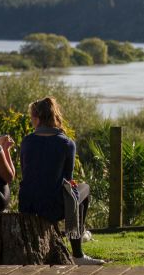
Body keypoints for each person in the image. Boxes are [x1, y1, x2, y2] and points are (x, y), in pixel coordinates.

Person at [18, 97, 104, 265]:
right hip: (53, 208)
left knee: (75, 192)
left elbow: (26, 172)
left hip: (27, 205)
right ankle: (78, 251)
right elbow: (68, 180)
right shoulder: (66, 143)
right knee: (83, 189)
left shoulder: (27, 141)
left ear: (37, 118)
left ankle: (80, 235)